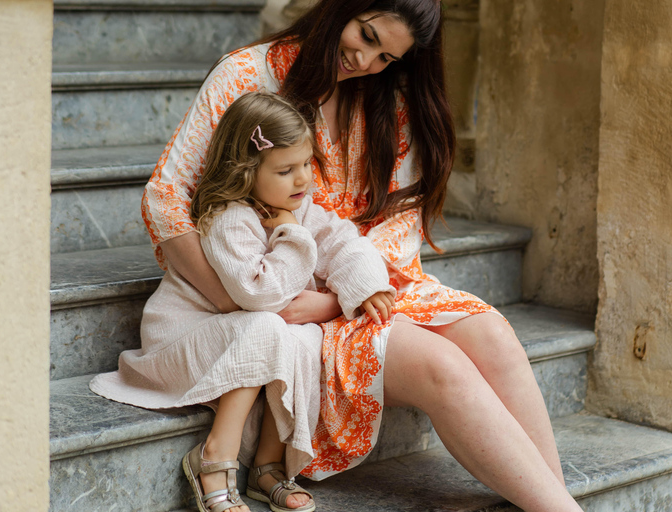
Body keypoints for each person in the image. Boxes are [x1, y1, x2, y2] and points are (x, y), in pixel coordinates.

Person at [124, 1, 584, 511]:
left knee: (493, 333)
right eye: (365, 36)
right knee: (443, 366)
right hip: (269, 296)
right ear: (341, 7)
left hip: (360, 285)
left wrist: (337, 301)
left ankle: (555, 501)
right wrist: (243, 305)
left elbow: (398, 228)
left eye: (386, 57)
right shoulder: (247, 76)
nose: (365, 62)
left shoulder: (388, 104)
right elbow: (166, 199)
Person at [91, 91, 396, 512]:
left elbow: (344, 240)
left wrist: (366, 285)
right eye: (286, 170)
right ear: (246, 171)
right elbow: (258, 294)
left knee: (306, 339)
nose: (304, 180)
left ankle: (266, 467)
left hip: (234, 334)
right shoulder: (227, 218)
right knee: (268, 326)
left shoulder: (295, 206)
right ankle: (214, 456)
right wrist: (291, 235)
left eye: (307, 164)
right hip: (182, 339)